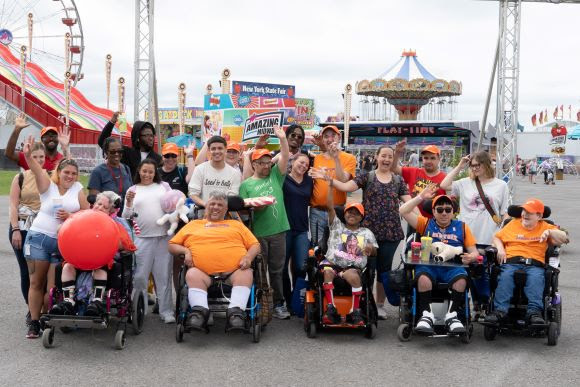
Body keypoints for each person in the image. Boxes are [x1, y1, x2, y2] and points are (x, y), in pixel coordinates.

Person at [310, 145, 411, 320]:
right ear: (376, 157)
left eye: (390, 156)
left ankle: (379, 305)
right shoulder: (368, 176)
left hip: (390, 232)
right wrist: (330, 181)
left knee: (384, 270)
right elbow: (347, 186)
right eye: (383, 156)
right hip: (367, 230)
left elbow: (409, 203)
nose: (386, 160)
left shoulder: (397, 180)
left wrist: (423, 205)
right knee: (365, 267)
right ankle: (365, 301)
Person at [21, 136, 89, 338]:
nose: (70, 176)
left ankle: (46, 316)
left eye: (74, 174)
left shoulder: (77, 189)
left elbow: (87, 213)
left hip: (63, 243)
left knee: (52, 287)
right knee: (36, 283)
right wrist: (27, 155)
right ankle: (34, 323)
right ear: (58, 172)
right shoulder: (47, 186)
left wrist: (71, 216)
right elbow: (34, 168)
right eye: (66, 172)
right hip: (40, 238)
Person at [168, 191, 261, 330]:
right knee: (192, 274)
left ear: (226, 209)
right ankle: (199, 313)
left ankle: (236, 314)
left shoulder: (237, 225)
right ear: (206, 206)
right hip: (202, 273)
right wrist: (185, 251)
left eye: (220, 205)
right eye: (212, 204)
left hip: (234, 272)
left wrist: (248, 257)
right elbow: (172, 245)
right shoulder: (193, 225)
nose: (215, 207)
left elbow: (255, 245)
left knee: (246, 273)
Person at [399, 186, 480, 334]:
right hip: (428, 265)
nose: (444, 213)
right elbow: (403, 211)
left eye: (448, 210)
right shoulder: (425, 223)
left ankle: (453, 315)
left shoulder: (462, 227)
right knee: (423, 278)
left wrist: (471, 257)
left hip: (453, 267)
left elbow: (474, 252)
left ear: (453, 212)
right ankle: (426, 315)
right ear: (434, 211)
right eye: (440, 209)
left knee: (462, 279)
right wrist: (420, 197)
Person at [50, 191, 137, 317]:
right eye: (99, 204)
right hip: (79, 258)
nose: (100, 208)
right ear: (93, 204)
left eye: (105, 207)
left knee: (99, 268)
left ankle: (96, 301)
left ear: (110, 211)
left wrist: (109, 239)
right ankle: (68, 301)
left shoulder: (114, 224)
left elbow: (124, 243)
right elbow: (61, 231)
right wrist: (69, 222)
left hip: (102, 259)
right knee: (67, 266)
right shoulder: (81, 218)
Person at [484, 199, 569, 326]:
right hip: (511, 262)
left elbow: (565, 238)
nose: (525, 214)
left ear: (539, 216)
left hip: (534, 264)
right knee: (505, 277)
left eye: (530, 212)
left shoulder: (545, 226)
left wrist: (550, 232)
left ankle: (534, 312)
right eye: (524, 211)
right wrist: (500, 248)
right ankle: (499, 311)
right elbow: (496, 237)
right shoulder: (512, 223)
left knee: (535, 279)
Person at [239, 125, 291, 319]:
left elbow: (285, 157)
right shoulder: (246, 184)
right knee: (260, 270)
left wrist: (282, 139)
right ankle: (261, 303)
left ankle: (278, 303)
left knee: (277, 270)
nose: (267, 165)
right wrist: (254, 207)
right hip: (257, 234)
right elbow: (243, 209)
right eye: (262, 162)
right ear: (254, 164)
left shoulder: (276, 177)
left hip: (278, 231)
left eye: (269, 162)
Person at [319, 178, 377, 326]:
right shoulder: (336, 226)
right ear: (344, 214)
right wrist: (331, 187)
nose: (352, 215)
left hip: (353, 267)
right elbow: (330, 207)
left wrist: (370, 249)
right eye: (349, 212)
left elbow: (374, 252)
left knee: (352, 275)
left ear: (361, 217)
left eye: (356, 213)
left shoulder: (366, 232)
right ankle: (330, 309)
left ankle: (355, 311)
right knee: (327, 271)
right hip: (333, 263)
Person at [122, 159, 175, 324]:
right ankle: (140, 309)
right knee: (139, 277)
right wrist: (129, 202)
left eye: (150, 172)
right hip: (142, 238)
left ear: (155, 172)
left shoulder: (164, 186)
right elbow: (126, 215)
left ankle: (166, 311)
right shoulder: (132, 189)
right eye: (144, 171)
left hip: (163, 237)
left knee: (163, 276)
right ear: (139, 170)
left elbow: (174, 206)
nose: (147, 174)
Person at [8, 142, 47, 325]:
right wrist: (15, 229)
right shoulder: (20, 177)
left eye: (42, 157)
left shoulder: (49, 177)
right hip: (22, 228)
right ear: (28, 157)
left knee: (43, 273)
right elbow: (13, 205)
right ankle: (31, 310)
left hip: (41, 230)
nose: (38, 160)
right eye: (35, 156)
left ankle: (44, 307)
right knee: (26, 272)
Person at [440, 151, 509, 245]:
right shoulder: (465, 183)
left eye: (478, 165)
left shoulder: (501, 185)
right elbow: (444, 185)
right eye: (472, 165)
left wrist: (500, 236)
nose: (475, 168)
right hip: (466, 236)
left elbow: (505, 214)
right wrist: (459, 166)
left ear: (487, 164)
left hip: (489, 237)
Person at [309, 125, 357, 244]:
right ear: (323, 139)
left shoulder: (349, 158)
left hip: (337, 211)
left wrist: (336, 158)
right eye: (326, 136)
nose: (329, 139)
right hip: (316, 211)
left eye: (333, 136)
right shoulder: (317, 158)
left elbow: (344, 180)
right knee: (317, 249)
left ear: (339, 138)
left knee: (337, 247)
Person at [282, 153, 313, 311]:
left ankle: (296, 299)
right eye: (301, 162)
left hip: (302, 229)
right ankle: (287, 300)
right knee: (282, 267)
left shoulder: (309, 181)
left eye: (306, 164)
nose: (303, 166)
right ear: (293, 162)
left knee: (301, 266)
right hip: (284, 228)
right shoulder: (283, 179)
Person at [98, 111, 162, 177]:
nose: (151, 138)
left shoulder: (158, 159)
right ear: (138, 138)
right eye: (147, 135)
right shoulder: (127, 153)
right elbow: (103, 142)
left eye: (152, 135)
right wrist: (112, 122)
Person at [393, 140, 446, 218]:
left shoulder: (445, 179)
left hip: (436, 222)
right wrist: (397, 153)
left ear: (439, 159)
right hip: (414, 220)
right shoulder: (413, 172)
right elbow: (394, 168)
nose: (429, 161)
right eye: (426, 158)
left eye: (432, 158)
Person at [188, 136, 241, 208]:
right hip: (203, 213)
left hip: (225, 214)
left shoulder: (235, 174)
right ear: (209, 151)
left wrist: (218, 208)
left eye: (220, 148)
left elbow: (232, 197)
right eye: (213, 149)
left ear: (225, 150)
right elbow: (193, 194)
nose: (217, 151)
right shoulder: (200, 169)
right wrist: (206, 205)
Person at [5, 112, 69, 171]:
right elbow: (9, 154)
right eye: (47, 136)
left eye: (54, 135)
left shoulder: (62, 159)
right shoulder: (32, 157)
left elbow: (70, 171)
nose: (51, 138)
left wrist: (65, 147)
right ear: (42, 140)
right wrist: (17, 129)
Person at [88, 137, 133, 206]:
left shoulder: (126, 168)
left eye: (119, 151)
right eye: (113, 151)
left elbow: (131, 191)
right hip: (106, 214)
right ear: (106, 152)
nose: (116, 154)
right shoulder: (97, 172)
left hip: (125, 214)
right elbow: (93, 199)